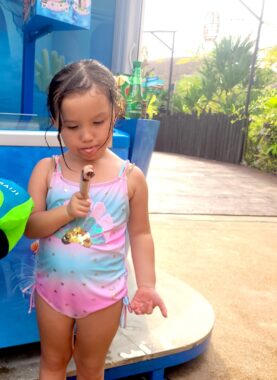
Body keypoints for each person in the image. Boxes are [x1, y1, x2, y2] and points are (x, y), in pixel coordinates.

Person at [25, 59, 167, 380]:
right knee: (52, 362)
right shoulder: (48, 171)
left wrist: (147, 285)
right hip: (52, 292)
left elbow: (142, 234)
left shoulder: (130, 178)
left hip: (104, 296)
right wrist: (66, 211)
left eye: (98, 122)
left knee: (91, 368)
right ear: (56, 122)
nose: (86, 136)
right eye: (73, 127)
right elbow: (31, 228)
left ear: (115, 114)